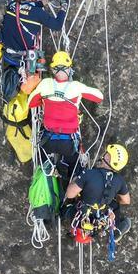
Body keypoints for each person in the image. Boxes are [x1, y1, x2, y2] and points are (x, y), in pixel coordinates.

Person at [28, 51, 103, 181]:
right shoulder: (76, 87)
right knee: (75, 172)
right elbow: (99, 97)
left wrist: (46, 100)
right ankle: (71, 187)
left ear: (53, 70)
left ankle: (47, 182)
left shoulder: (45, 84)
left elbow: (31, 103)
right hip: (68, 143)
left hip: (48, 140)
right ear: (69, 69)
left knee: (44, 171)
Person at [65, 143, 131, 238]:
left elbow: (69, 194)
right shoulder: (120, 180)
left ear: (108, 158)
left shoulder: (88, 174)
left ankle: (69, 228)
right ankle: (116, 228)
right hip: (99, 223)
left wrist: (76, 179)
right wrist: (111, 197)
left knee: (66, 204)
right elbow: (126, 200)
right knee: (115, 205)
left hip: (79, 218)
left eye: (107, 153)